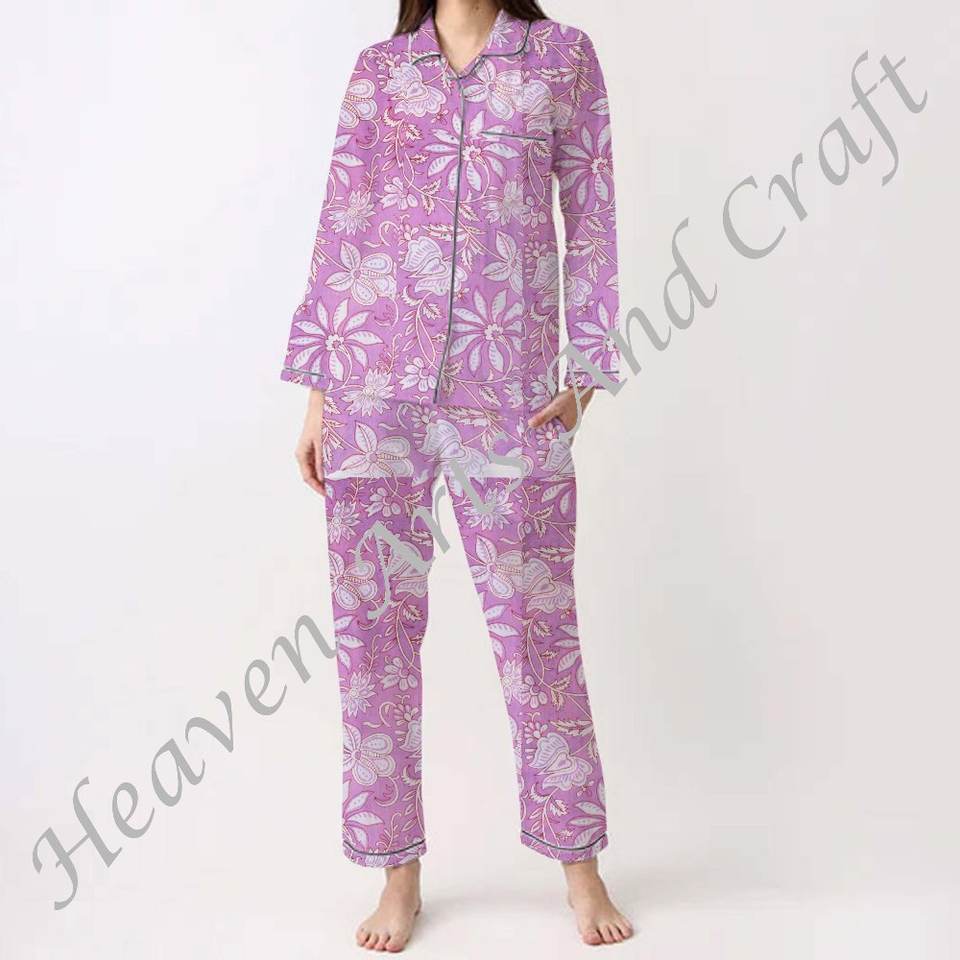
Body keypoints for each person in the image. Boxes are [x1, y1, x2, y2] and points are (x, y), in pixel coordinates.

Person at [281, 0, 632, 950]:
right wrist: (318, 395)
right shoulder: (381, 70)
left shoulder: (560, 59)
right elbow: (343, 224)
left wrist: (586, 372)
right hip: (373, 389)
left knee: (538, 636)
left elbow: (591, 212)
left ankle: (581, 868)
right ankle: (396, 877)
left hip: (509, 391)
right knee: (373, 643)